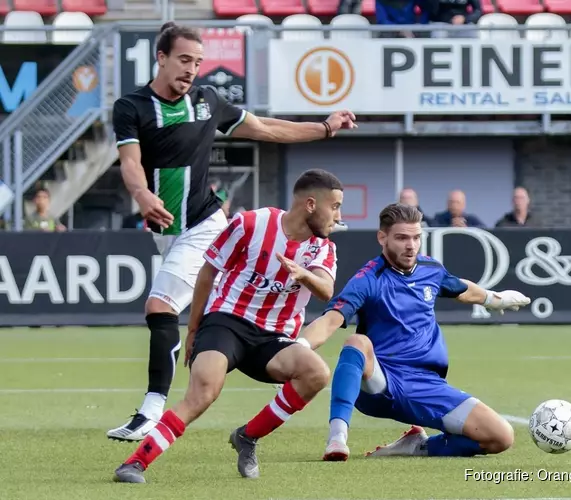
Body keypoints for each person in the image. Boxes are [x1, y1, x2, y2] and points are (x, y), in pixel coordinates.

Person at [106, 21, 356, 442]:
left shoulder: (208, 101)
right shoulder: (132, 107)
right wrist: (142, 195)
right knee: (179, 307)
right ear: (161, 57)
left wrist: (325, 128)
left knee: (160, 306)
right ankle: (266, 342)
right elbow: (131, 162)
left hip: (205, 224)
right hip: (166, 229)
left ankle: (151, 412)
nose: (191, 69)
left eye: (198, 62)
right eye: (184, 60)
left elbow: (267, 129)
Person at [113, 169, 344, 483]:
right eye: (335, 206)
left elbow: (327, 290)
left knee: (317, 373)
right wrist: (194, 330)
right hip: (227, 322)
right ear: (311, 204)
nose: (339, 216)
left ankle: (247, 437)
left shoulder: (323, 247)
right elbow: (208, 272)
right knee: (204, 392)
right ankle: (135, 463)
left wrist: (303, 275)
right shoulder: (250, 223)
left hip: (273, 338)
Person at [293, 203, 530, 462]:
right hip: (384, 384)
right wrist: (299, 349)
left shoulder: (431, 269)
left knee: (501, 437)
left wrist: (495, 300)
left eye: (416, 237)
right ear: (382, 238)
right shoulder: (368, 279)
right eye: (402, 238)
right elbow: (329, 321)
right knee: (357, 342)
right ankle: (337, 437)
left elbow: (461, 289)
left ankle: (419, 446)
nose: (411, 245)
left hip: (428, 385)